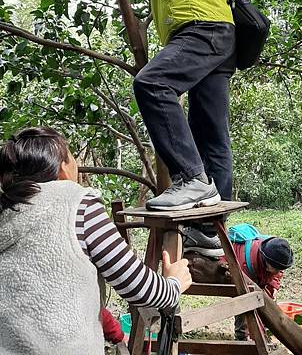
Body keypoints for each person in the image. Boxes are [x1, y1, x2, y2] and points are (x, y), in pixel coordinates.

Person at [107, 0, 236, 254]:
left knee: (152, 84)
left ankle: (192, 179)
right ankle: (210, 230)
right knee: (211, 132)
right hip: (220, 33)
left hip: (201, 27)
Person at [0, 127, 192, 355]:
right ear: (62, 168)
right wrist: (174, 284)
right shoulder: (76, 204)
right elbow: (139, 288)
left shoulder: (5, 212)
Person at [226, 236, 293, 341]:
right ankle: (241, 337)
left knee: (268, 303)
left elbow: (276, 275)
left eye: (280, 269)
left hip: (258, 277)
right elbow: (244, 295)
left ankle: (265, 334)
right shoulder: (248, 262)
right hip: (240, 274)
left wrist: (272, 290)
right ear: (267, 263)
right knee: (243, 305)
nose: (278, 271)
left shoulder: (276, 260)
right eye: (275, 269)